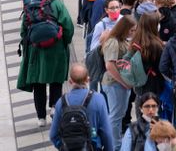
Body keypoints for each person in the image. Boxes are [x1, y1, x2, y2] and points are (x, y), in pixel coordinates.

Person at [17, 0, 74, 127]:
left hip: (36, 50)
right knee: (56, 80)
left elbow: (24, 31)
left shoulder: (29, 5)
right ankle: (54, 107)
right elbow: (68, 26)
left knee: (39, 85)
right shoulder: (57, 4)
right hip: (56, 48)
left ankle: (41, 118)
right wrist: (64, 41)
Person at [49, 63, 114, 151]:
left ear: (70, 81)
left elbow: (53, 135)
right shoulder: (98, 99)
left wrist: (63, 146)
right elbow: (106, 133)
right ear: (88, 80)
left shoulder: (61, 102)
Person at [102, 15, 138, 149]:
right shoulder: (114, 42)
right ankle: (115, 146)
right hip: (114, 83)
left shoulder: (121, 40)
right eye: (132, 30)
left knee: (119, 115)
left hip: (120, 83)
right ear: (124, 28)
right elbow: (109, 66)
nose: (133, 32)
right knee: (116, 116)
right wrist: (124, 82)